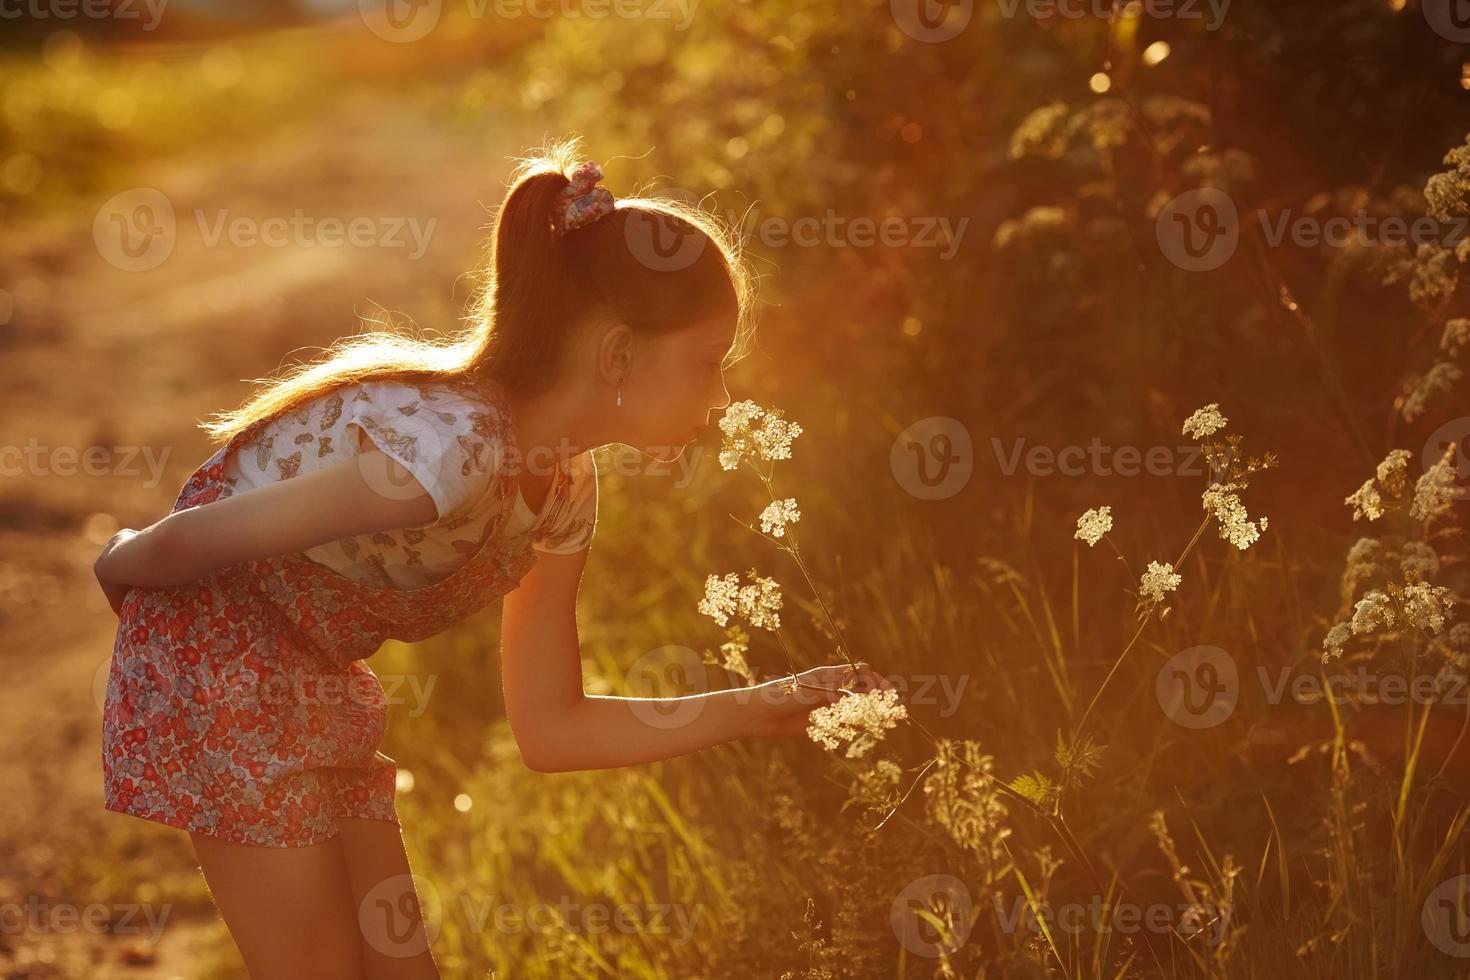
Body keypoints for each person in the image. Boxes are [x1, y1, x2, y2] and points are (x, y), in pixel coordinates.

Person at [92, 136, 887, 980]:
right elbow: (191, 539)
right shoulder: (452, 450)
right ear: (618, 356)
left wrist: (761, 706)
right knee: (320, 966)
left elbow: (551, 727)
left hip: (312, 675)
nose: (723, 396)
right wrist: (119, 564)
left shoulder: (564, 492)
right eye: (706, 362)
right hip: (217, 649)